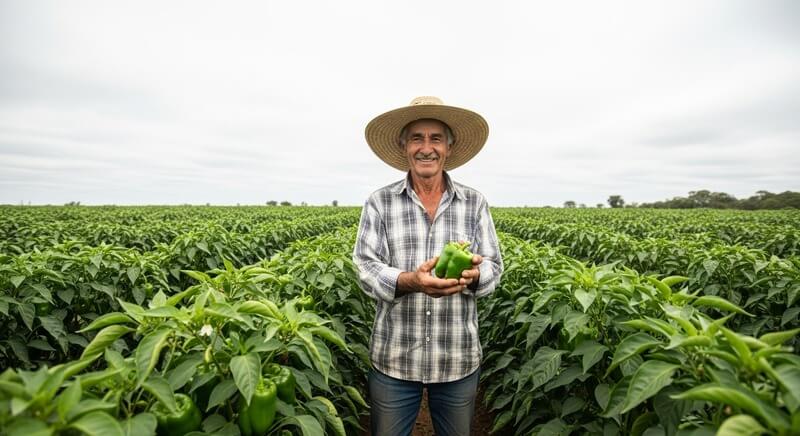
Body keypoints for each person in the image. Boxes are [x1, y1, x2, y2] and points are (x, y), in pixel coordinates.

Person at [353, 96, 503, 436]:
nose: (426, 147)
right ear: (405, 146)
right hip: (395, 358)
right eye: (417, 138)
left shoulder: (474, 202)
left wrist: (476, 274)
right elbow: (365, 267)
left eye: (436, 138)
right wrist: (410, 281)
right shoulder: (380, 202)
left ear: (448, 148)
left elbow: (494, 265)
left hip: (457, 359)